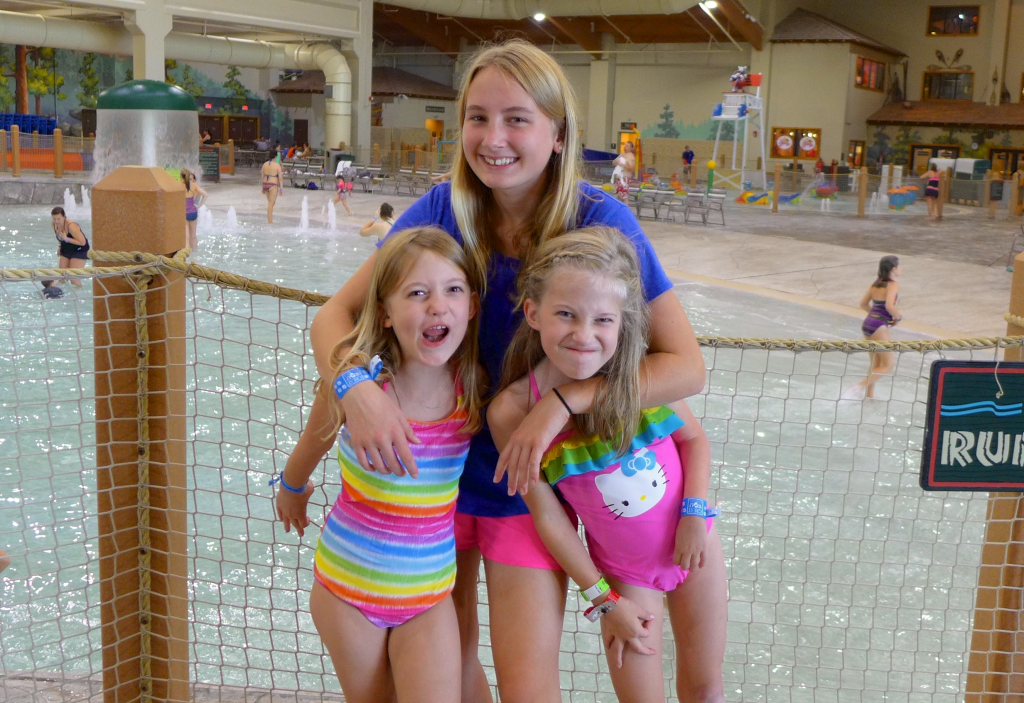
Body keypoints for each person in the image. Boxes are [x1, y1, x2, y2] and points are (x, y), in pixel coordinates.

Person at [306, 39, 704, 703]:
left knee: (527, 684)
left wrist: (561, 402)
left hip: (530, 486)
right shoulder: (443, 210)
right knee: (452, 675)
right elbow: (334, 317)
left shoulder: (598, 221)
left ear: (558, 133)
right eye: (478, 117)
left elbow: (686, 366)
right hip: (437, 484)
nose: (493, 139)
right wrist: (355, 389)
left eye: (517, 119)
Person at [489, 227, 727, 701]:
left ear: (623, 323)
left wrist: (694, 514)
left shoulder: (638, 378)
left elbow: (694, 440)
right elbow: (549, 518)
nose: (584, 335)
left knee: (706, 691)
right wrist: (603, 598)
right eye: (565, 314)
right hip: (625, 578)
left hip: (696, 541)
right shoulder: (513, 412)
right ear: (533, 313)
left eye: (602, 320)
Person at [274, 226, 484, 703]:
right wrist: (291, 487)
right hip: (347, 589)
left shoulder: (473, 387)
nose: (437, 306)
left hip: (428, 597)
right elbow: (314, 440)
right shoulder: (361, 385)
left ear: (472, 306)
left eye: (453, 290)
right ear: (385, 312)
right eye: (417, 293)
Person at [855, 255, 902, 399]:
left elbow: (863, 304)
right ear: (893, 269)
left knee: (875, 365)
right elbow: (889, 306)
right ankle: (857, 388)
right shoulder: (892, 285)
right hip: (878, 326)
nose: (900, 269)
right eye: (899, 266)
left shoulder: (875, 284)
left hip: (867, 324)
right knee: (888, 365)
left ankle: (869, 397)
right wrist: (898, 318)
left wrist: (874, 316)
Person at [51, 206, 89, 286]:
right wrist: (60, 247)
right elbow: (60, 237)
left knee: (74, 279)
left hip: (79, 250)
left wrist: (66, 239)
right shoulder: (54, 224)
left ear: (64, 217)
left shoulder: (71, 226)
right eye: (54, 219)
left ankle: (79, 292)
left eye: (58, 219)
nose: (56, 221)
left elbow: (83, 242)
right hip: (66, 249)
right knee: (61, 277)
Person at [181, 169, 208, 251]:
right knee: (193, 236)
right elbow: (206, 195)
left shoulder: (179, 186)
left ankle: (187, 254)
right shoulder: (194, 186)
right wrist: (199, 205)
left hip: (184, 213)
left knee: (186, 236)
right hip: (193, 212)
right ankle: (195, 252)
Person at [261, 149, 284, 224]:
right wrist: (281, 188)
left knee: (270, 203)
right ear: (276, 157)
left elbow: (262, 176)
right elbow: (280, 178)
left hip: (265, 183)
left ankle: (270, 219)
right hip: (273, 184)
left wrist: (262, 187)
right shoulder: (277, 165)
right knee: (271, 203)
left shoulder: (265, 164)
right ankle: (270, 221)